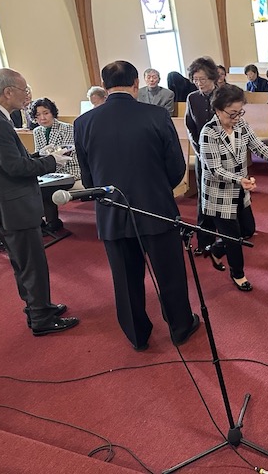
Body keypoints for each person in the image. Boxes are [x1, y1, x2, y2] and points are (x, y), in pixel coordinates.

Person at [75, 60, 199, 351]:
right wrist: (157, 190)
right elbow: (176, 167)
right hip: (156, 207)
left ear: (104, 86)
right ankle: (180, 327)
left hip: (111, 211)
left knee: (125, 278)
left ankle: (136, 334)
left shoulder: (83, 123)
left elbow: (87, 177)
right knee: (169, 274)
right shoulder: (156, 115)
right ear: (136, 84)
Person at [0, 68, 78, 335]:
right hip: (12, 206)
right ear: (8, 92)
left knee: (22, 262)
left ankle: (38, 307)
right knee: (32, 264)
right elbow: (16, 168)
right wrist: (52, 162)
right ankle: (41, 318)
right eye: (24, 89)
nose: (27, 95)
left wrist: (40, 155)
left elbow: (5, 160)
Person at [199, 84, 268, 291]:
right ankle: (238, 274)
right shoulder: (209, 133)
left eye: (240, 112)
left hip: (240, 187)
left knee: (247, 230)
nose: (237, 117)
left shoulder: (240, 124)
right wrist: (239, 179)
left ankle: (215, 249)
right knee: (233, 238)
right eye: (232, 113)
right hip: (219, 193)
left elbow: (255, 143)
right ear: (218, 110)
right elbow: (214, 169)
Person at [31, 97, 82, 232]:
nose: (42, 118)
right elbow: (40, 154)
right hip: (48, 170)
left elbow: (65, 155)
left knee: (45, 187)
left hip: (69, 170)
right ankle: (41, 221)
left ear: (53, 112)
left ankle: (52, 221)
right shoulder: (37, 131)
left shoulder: (67, 128)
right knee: (34, 184)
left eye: (46, 113)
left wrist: (45, 167)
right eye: (38, 115)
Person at [185, 56, 220, 254]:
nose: (199, 83)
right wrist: (199, 151)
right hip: (202, 155)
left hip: (224, 154)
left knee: (228, 195)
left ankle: (235, 233)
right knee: (204, 196)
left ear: (213, 77)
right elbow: (190, 127)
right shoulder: (192, 98)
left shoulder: (225, 95)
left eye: (203, 79)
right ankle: (205, 240)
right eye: (195, 79)